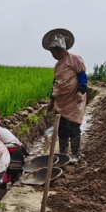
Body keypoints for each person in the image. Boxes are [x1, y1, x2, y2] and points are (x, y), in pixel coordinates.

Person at [42, 28, 88, 161]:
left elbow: (82, 75)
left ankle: (75, 154)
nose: (53, 55)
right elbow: (55, 84)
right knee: (61, 129)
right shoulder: (57, 66)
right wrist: (51, 101)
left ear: (60, 49)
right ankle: (63, 154)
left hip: (73, 100)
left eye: (54, 52)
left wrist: (81, 91)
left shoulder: (74, 59)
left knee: (73, 127)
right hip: (61, 102)